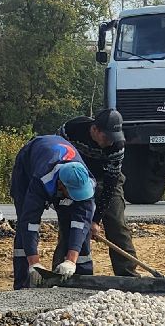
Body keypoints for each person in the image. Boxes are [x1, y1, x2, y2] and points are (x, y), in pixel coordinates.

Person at [58, 108, 141, 276]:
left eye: (114, 138)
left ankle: (127, 274)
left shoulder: (117, 146)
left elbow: (111, 184)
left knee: (117, 225)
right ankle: (62, 271)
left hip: (105, 180)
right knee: (70, 224)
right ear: (95, 129)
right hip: (75, 179)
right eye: (107, 137)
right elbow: (56, 154)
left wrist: (95, 220)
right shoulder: (71, 130)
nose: (111, 142)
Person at [10, 134, 96, 289]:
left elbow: (81, 222)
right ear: (61, 185)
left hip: (56, 171)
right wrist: (34, 263)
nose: (77, 197)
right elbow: (30, 222)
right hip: (27, 166)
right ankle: (24, 283)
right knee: (24, 224)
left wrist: (71, 260)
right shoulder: (41, 180)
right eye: (72, 193)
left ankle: (80, 281)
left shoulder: (86, 181)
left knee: (77, 228)